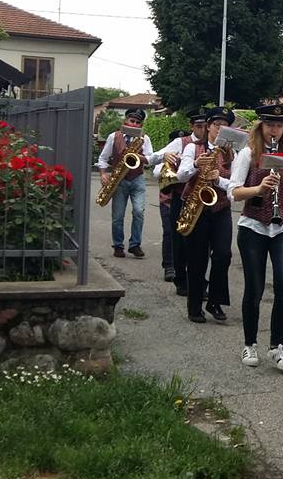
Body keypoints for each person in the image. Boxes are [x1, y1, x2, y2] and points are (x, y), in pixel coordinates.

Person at [229, 104, 283, 372]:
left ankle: (277, 346)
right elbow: (234, 192)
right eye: (269, 125)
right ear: (261, 126)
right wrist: (259, 188)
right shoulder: (249, 154)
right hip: (253, 226)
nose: (274, 130)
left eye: (279, 125)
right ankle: (249, 343)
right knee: (255, 289)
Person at [177, 107, 237, 324]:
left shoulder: (233, 153)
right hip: (197, 208)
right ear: (209, 127)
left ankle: (215, 301)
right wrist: (195, 165)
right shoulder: (194, 148)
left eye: (225, 125)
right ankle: (194, 307)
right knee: (197, 259)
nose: (220, 128)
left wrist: (218, 179)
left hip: (220, 207)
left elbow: (238, 185)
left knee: (223, 255)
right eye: (216, 124)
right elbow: (181, 176)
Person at [97, 108, 154, 258]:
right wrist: (103, 174)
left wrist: (137, 156)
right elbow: (103, 158)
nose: (134, 124)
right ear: (125, 121)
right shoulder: (113, 137)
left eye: (138, 122)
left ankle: (135, 245)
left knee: (138, 212)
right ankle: (118, 246)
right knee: (118, 216)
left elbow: (150, 158)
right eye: (132, 121)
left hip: (137, 179)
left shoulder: (144, 139)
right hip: (119, 181)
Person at [155, 130, 189, 282]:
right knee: (169, 232)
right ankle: (169, 266)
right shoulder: (168, 155)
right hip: (168, 200)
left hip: (187, 200)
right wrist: (168, 167)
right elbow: (156, 172)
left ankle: (183, 265)